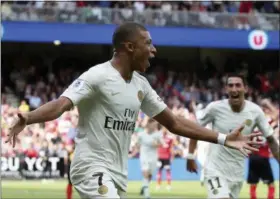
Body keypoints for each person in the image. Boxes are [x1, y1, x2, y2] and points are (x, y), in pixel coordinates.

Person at [7, 22, 261, 199]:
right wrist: (28, 117)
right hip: (90, 166)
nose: (154, 50)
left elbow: (174, 123)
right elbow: (61, 104)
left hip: (118, 170)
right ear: (129, 47)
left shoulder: (141, 85)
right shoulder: (97, 76)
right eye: (148, 43)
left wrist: (224, 138)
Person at [186, 73, 280, 199]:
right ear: (226, 89)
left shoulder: (255, 111)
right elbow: (195, 130)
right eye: (230, 85)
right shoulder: (215, 108)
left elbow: (271, 139)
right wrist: (191, 155)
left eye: (238, 85)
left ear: (245, 89)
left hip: (237, 172)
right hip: (215, 169)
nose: (234, 89)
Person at [247, 100, 279, 199]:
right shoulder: (267, 123)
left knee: (253, 184)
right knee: (271, 184)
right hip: (263, 156)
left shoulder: (251, 123)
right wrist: (269, 104)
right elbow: (276, 115)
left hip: (252, 157)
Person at [129, 119, 163, 199]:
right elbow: (137, 146)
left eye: (155, 125)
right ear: (148, 125)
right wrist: (132, 154)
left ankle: (144, 186)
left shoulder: (157, 135)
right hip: (144, 156)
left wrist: (156, 144)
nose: (155, 126)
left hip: (153, 157)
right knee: (145, 172)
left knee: (150, 175)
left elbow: (161, 144)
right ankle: (147, 194)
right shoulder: (141, 135)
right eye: (153, 125)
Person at [156, 126, 174, 191]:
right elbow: (156, 147)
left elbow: (171, 148)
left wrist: (172, 157)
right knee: (159, 171)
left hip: (167, 157)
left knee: (168, 171)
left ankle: (168, 185)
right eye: (163, 128)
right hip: (160, 157)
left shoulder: (170, 138)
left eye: (165, 129)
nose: (164, 130)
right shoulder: (159, 138)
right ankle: (158, 185)